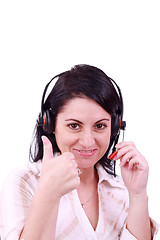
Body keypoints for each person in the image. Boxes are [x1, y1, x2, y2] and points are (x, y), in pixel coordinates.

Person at [0, 64, 159, 240]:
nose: (88, 141)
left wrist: (137, 194)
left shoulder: (120, 190)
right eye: (74, 126)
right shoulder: (24, 182)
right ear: (50, 124)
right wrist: (48, 193)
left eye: (100, 126)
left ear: (114, 127)